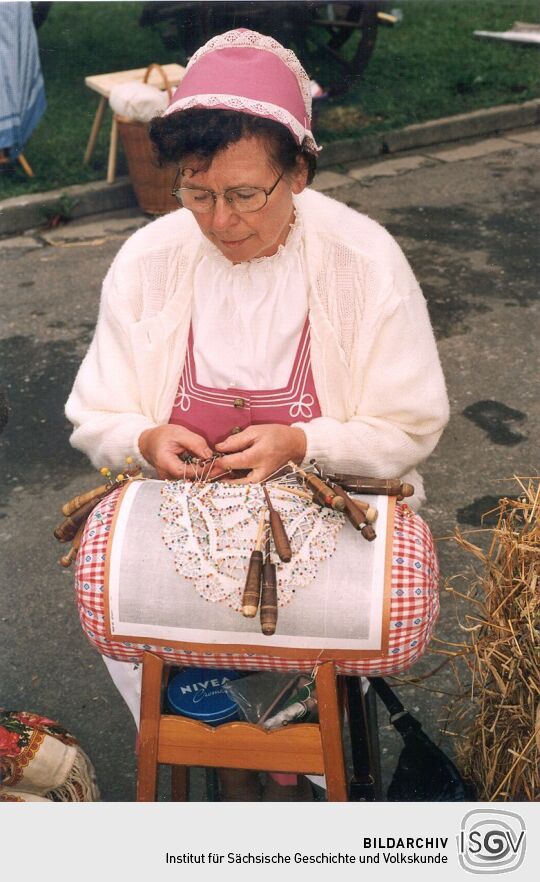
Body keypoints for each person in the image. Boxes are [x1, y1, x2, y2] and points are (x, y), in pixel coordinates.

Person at [65, 29, 449, 800]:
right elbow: (95, 409)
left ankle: (288, 781)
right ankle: (244, 775)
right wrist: (142, 437)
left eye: (246, 194)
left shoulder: (363, 261)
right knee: (129, 599)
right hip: (185, 538)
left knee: (308, 668)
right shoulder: (149, 259)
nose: (220, 221)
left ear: (299, 171)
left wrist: (306, 440)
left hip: (322, 540)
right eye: (197, 193)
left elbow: (410, 425)